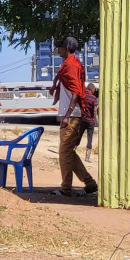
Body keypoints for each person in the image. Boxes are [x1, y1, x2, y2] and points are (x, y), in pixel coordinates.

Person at [51, 37, 98, 197]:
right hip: (72, 114)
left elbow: (77, 90)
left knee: (64, 152)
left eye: (59, 47)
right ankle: (90, 184)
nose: (58, 50)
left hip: (71, 115)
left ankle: (65, 189)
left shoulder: (71, 65)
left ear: (66, 48)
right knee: (68, 151)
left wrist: (67, 114)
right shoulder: (72, 63)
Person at [78, 83, 98, 162]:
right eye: (94, 90)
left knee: (79, 136)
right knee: (90, 138)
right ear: (92, 89)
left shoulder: (82, 96)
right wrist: (94, 117)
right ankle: (87, 157)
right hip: (90, 121)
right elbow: (95, 110)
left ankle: (73, 151)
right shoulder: (94, 98)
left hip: (83, 119)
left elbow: (79, 105)